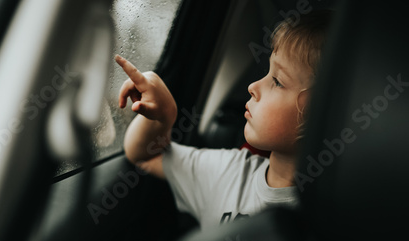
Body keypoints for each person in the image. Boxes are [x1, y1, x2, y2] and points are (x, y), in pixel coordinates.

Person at [115, 10, 333, 229]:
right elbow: (143, 155)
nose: (253, 87)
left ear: (317, 112)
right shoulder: (229, 173)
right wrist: (164, 117)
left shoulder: (336, 221)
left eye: (277, 81)